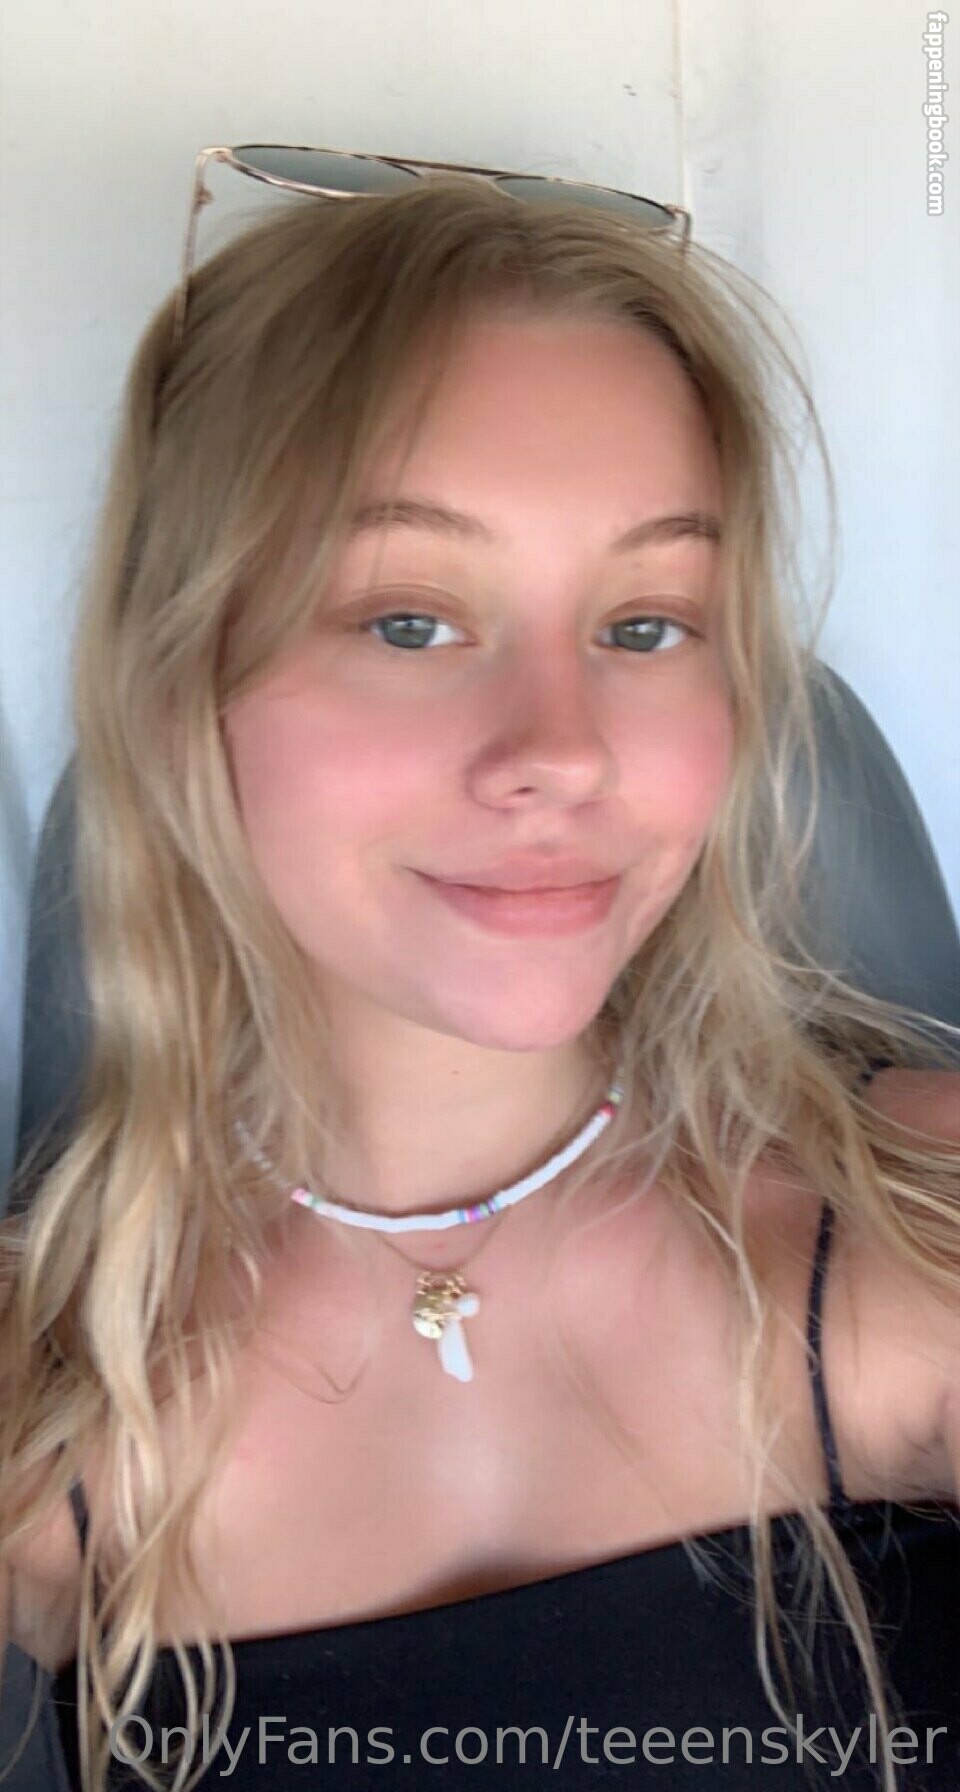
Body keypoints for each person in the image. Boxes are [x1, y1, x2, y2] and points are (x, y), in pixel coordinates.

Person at [1, 168, 959, 1792]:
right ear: (182, 683)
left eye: (646, 626)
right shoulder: (43, 1412)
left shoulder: (921, 1231)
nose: (561, 752)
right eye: (409, 620)